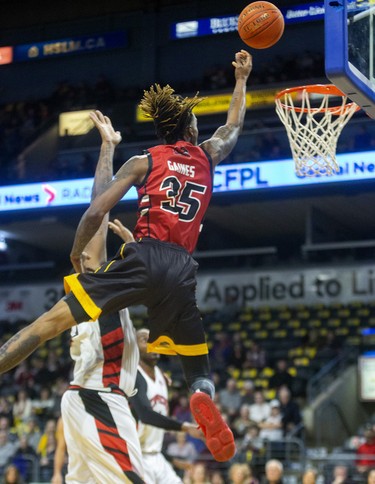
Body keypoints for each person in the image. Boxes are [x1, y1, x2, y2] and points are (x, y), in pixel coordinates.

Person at [0, 50, 252, 463]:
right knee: (198, 371)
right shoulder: (208, 155)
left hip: (143, 256)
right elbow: (233, 125)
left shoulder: (145, 160)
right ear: (190, 127)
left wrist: (77, 249)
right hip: (182, 268)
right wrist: (241, 79)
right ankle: (202, 398)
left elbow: (97, 209)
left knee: (47, 325)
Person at [52, 111, 145, 483]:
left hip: (91, 397)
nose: (95, 250)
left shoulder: (92, 288)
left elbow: (99, 213)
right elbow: (99, 209)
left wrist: (108, 147)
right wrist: (107, 148)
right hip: (98, 397)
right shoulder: (96, 286)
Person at [129, 327, 203, 484]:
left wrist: (172, 460)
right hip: (135, 457)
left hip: (156, 455)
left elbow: (154, 432)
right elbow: (146, 415)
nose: (152, 343)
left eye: (155, 340)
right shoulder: (133, 375)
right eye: (144, 340)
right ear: (134, 348)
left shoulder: (162, 377)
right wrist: (185, 427)